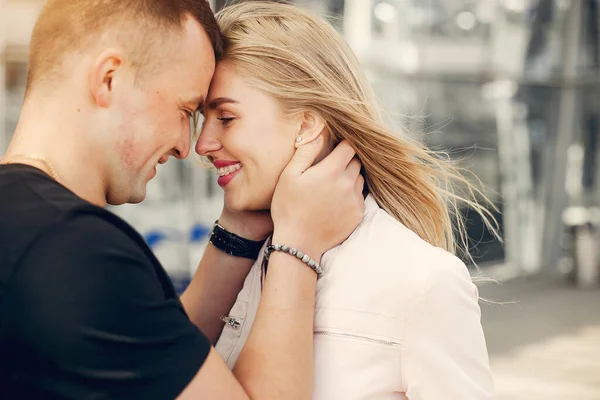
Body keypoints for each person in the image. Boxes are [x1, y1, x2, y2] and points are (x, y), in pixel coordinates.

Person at [0, 1, 365, 399]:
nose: (187, 146)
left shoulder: (27, 228)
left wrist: (238, 228)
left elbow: (153, 353)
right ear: (109, 79)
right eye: (185, 110)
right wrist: (298, 242)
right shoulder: (72, 250)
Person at [197, 2, 498, 399]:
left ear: (306, 125)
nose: (202, 144)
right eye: (202, 118)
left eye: (226, 118)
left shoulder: (424, 281)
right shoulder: (242, 262)